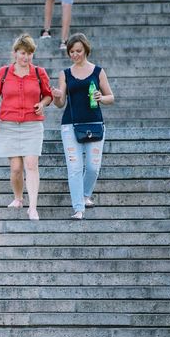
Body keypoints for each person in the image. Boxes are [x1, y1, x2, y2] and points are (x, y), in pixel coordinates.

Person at [0, 34, 53, 221]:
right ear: (15, 53)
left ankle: (33, 208)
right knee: (16, 168)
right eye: (23, 53)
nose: (26, 57)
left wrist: (43, 103)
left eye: (30, 53)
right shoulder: (4, 73)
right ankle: (18, 197)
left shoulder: (39, 73)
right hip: (9, 125)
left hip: (32, 124)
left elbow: (48, 95)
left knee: (31, 164)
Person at [51, 33, 114, 220]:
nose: (75, 54)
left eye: (78, 51)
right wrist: (56, 96)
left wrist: (101, 98)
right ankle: (78, 208)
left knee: (93, 167)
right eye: (71, 51)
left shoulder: (98, 71)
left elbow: (111, 96)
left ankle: (86, 195)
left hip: (94, 123)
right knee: (75, 168)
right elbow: (61, 103)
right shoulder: (65, 74)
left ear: (86, 49)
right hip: (70, 125)